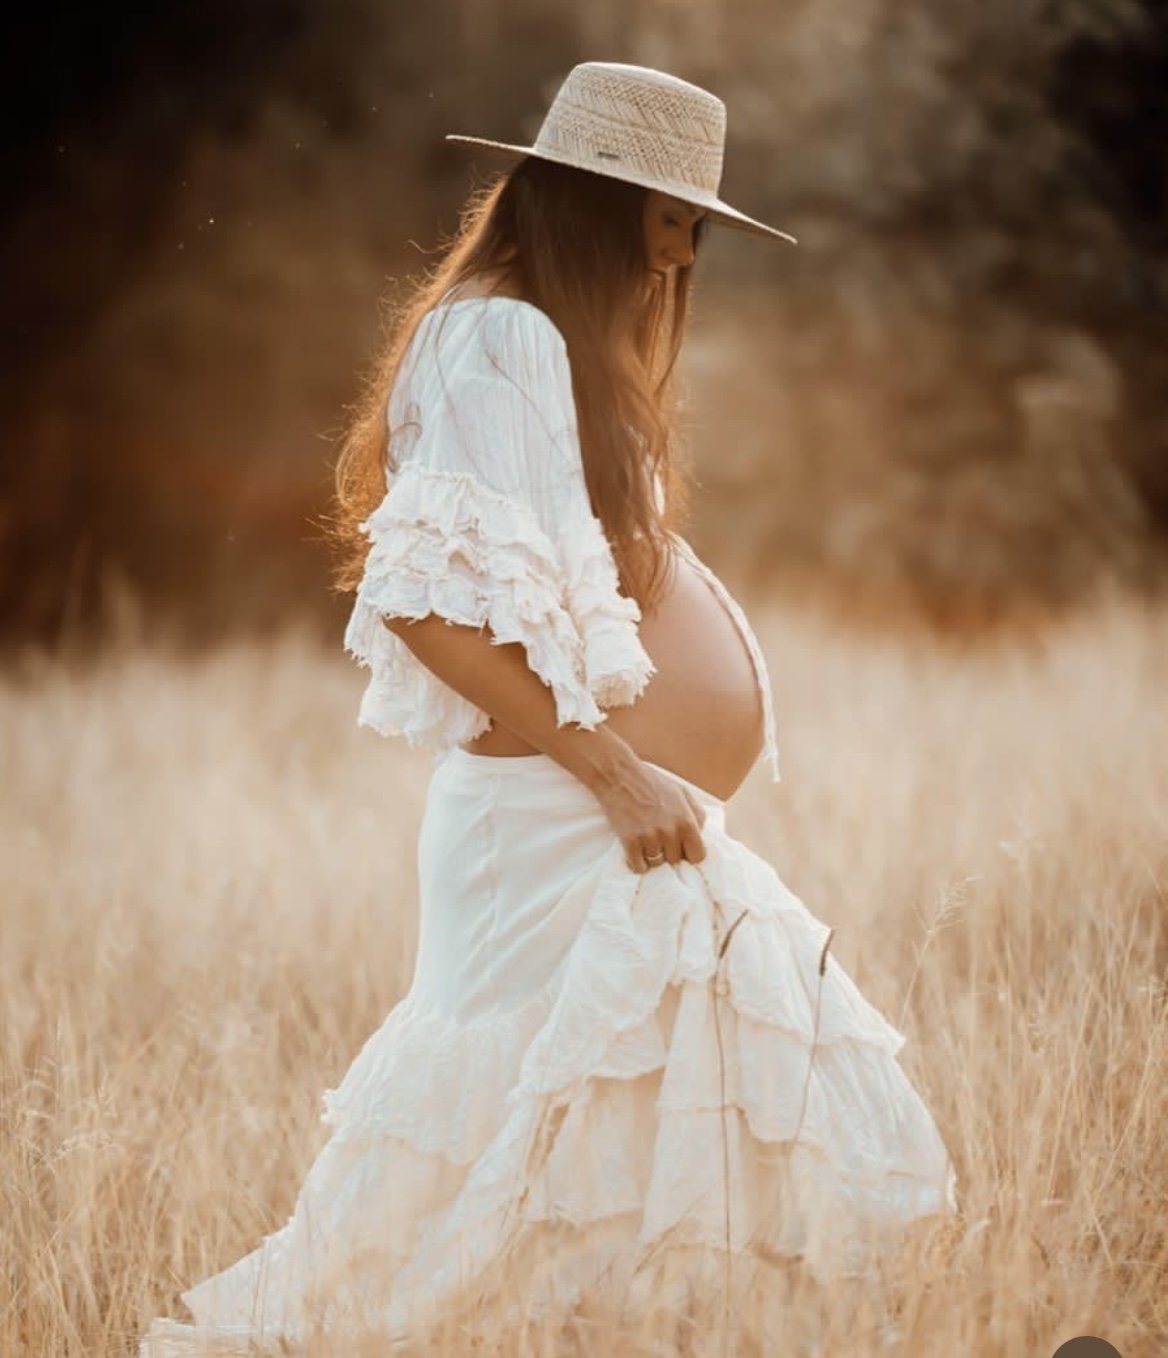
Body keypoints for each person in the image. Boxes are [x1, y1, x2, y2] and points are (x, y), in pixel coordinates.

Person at [140, 61, 958, 1356]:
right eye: (673, 215)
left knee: (607, 1157)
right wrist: (619, 772)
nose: (687, 251)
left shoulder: (532, 337)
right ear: (598, 200)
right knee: (537, 1157)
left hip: (586, 817)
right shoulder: (502, 330)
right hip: (564, 817)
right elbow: (418, 597)